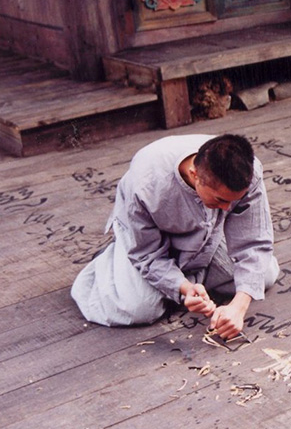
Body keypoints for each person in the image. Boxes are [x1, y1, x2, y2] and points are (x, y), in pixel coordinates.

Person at [71, 134, 280, 339]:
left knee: (265, 275)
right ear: (194, 174)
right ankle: (113, 260)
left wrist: (238, 307)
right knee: (139, 308)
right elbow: (147, 253)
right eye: (220, 200)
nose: (227, 208)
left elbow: (254, 242)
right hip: (148, 241)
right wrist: (183, 287)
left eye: (233, 201)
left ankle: (187, 274)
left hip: (206, 235)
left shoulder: (248, 171)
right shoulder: (145, 184)